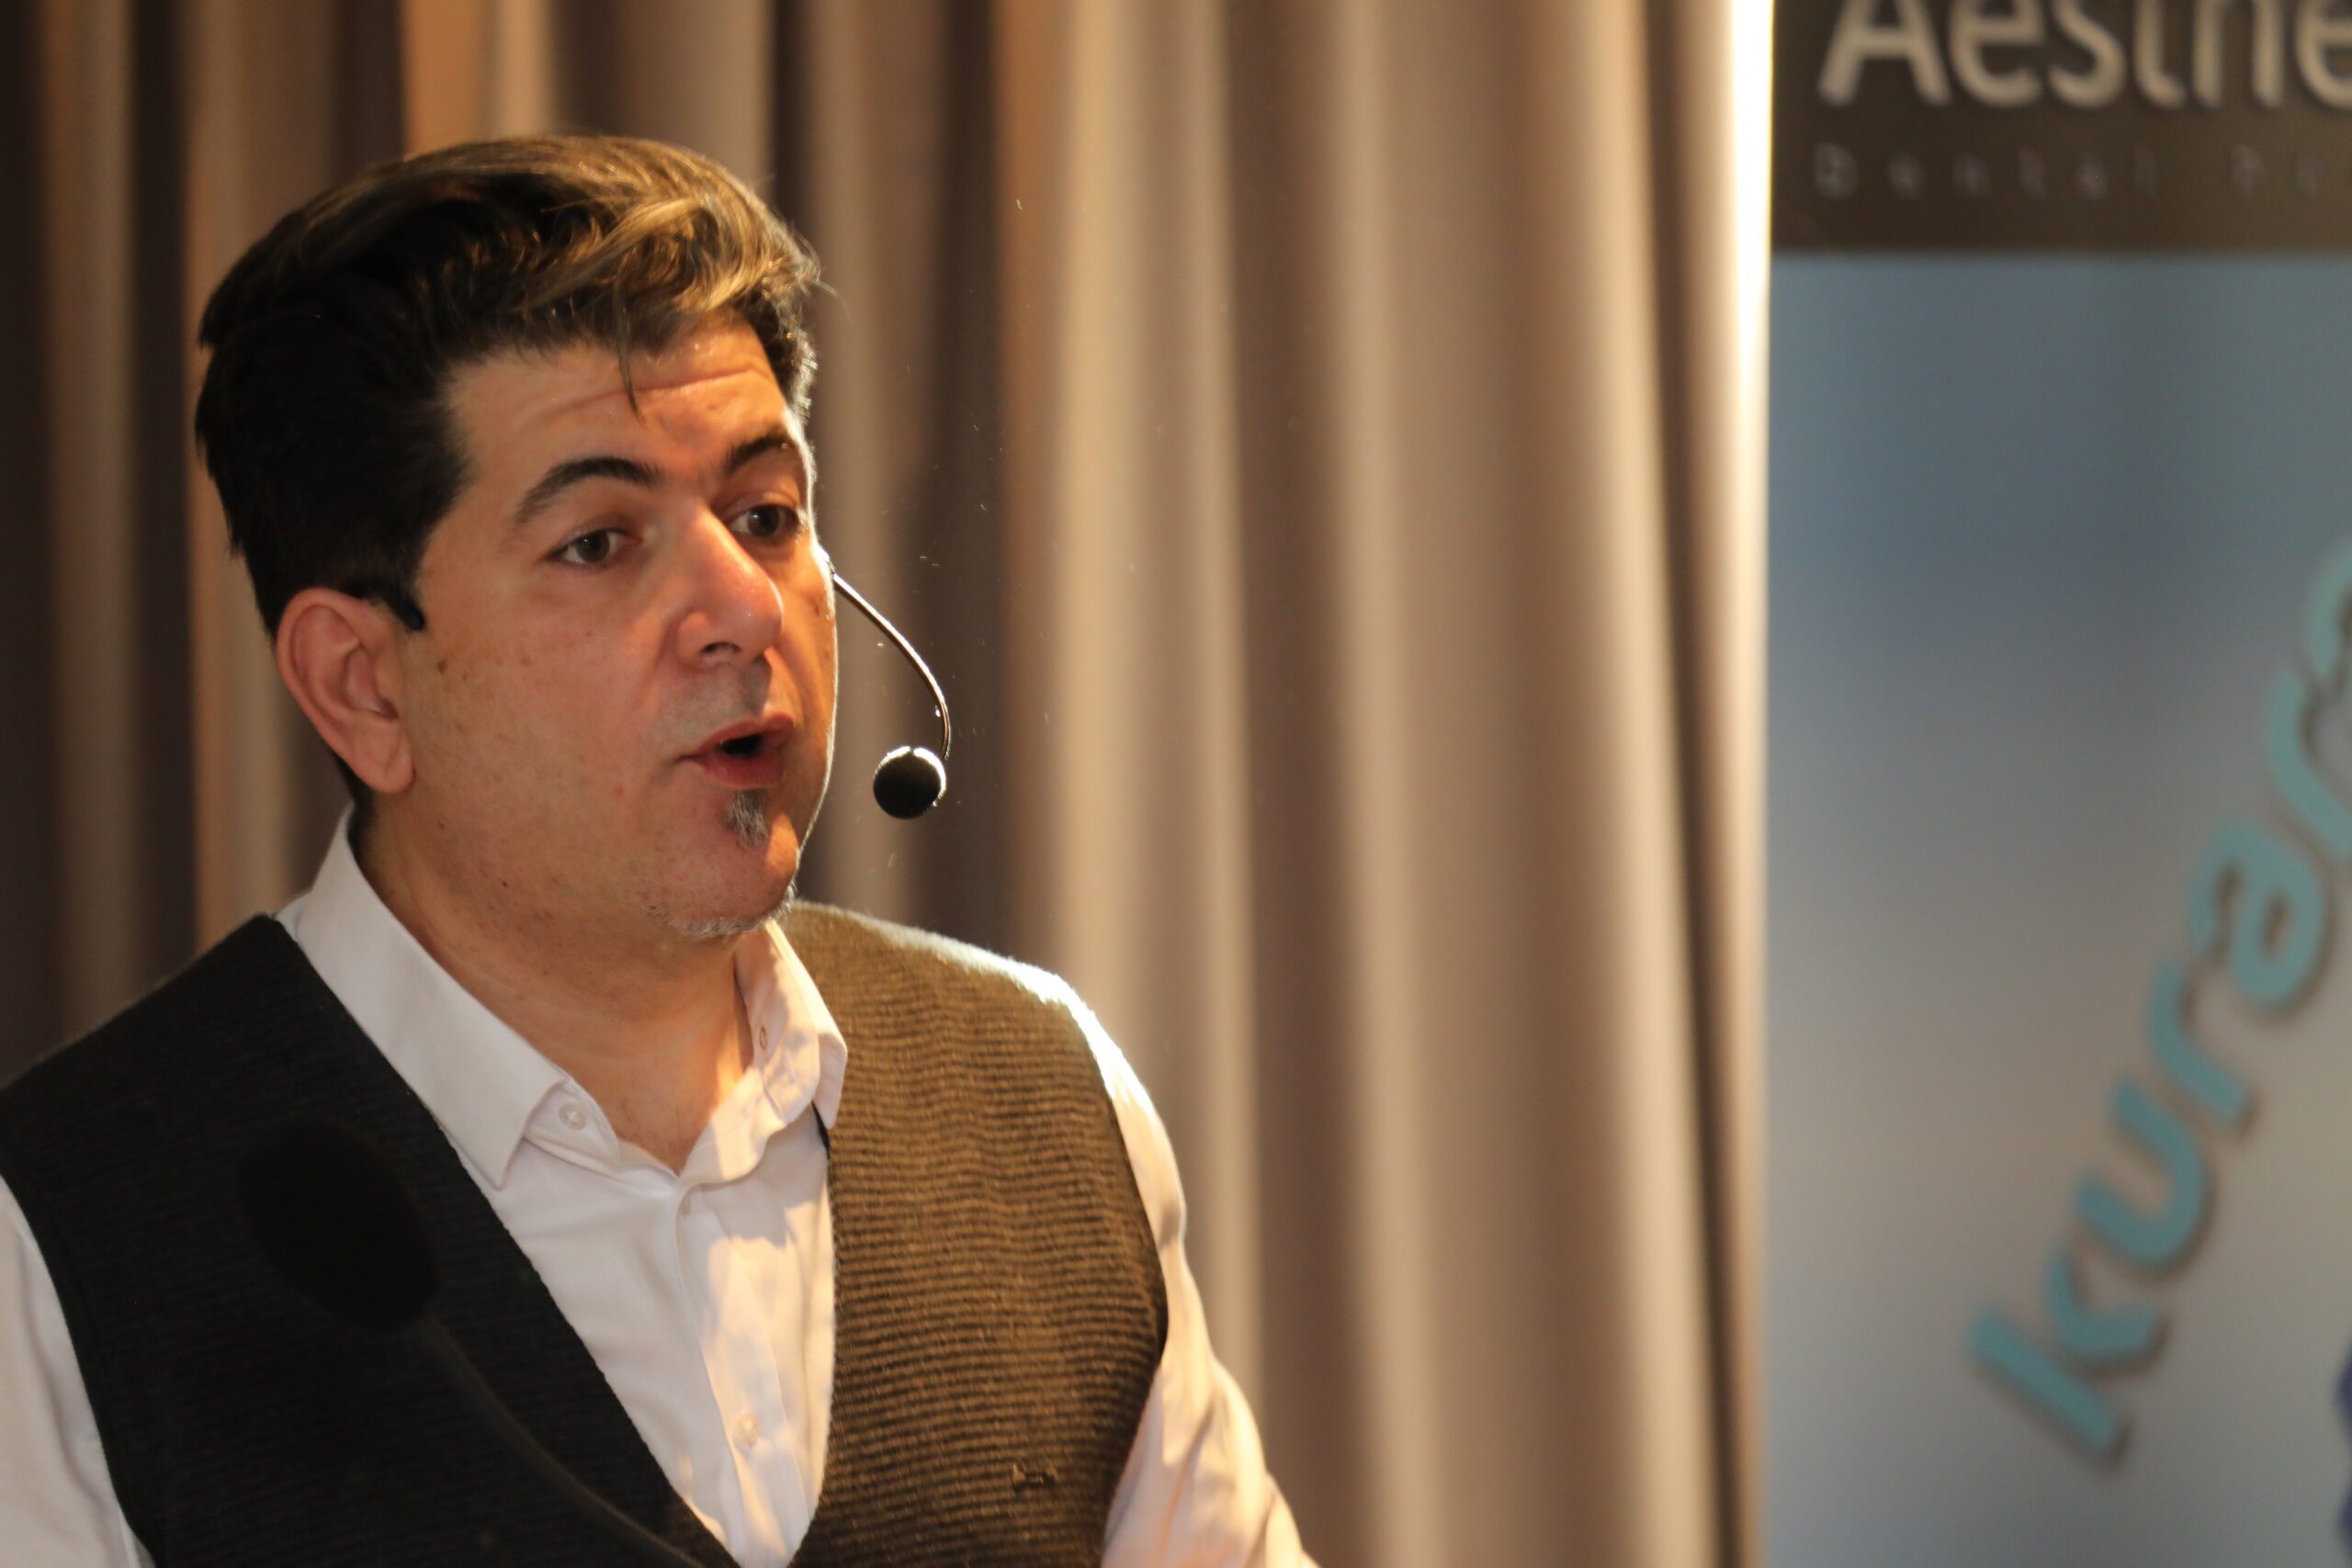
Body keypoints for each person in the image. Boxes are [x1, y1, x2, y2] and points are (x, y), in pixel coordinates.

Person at [0, 134, 1310, 1567]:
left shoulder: (1040, 1091)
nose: (745, 608)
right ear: (364, 686)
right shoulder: (61, 1233)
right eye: (599, 543)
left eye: (766, 515)